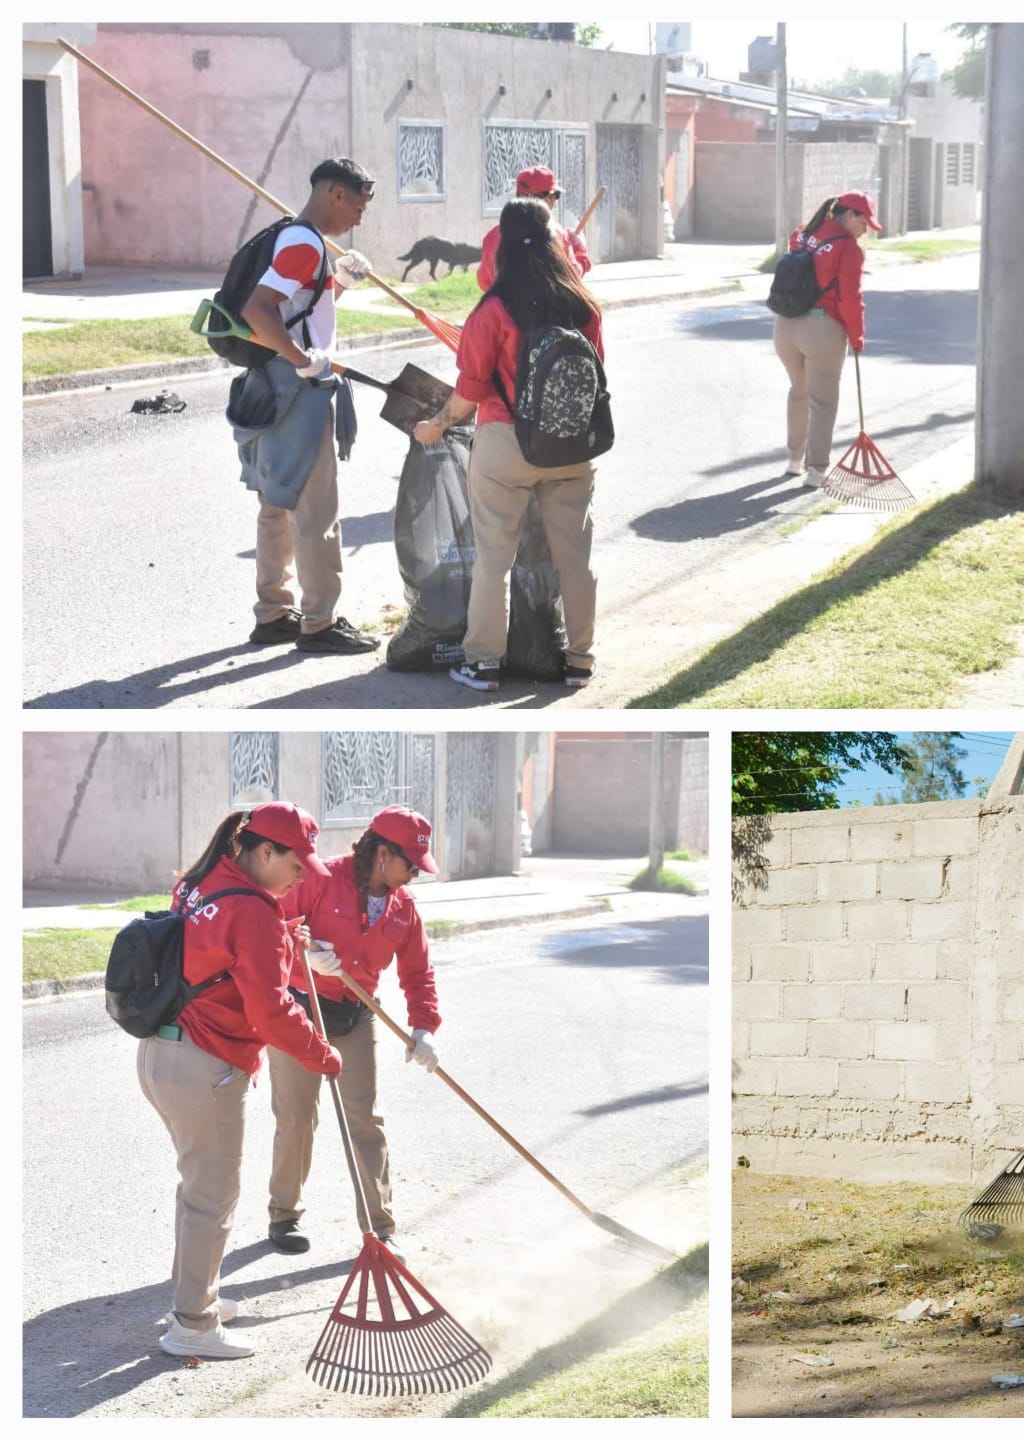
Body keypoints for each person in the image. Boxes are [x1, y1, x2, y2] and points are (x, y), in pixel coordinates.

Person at [143, 803, 340, 1360]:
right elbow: (271, 1013)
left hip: (162, 1054)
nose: (302, 877)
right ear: (264, 852)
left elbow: (221, 943)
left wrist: (281, 934)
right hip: (206, 1065)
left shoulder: (201, 880)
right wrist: (320, 1053)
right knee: (213, 1195)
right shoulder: (253, 911)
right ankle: (192, 1326)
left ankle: (196, 1295)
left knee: (197, 1188)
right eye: (296, 865)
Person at [412, 198, 604, 693]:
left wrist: (435, 425)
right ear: (553, 242)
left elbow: (470, 392)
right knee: (575, 560)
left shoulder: (492, 310)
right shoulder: (582, 305)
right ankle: (580, 661)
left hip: (504, 444)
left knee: (494, 560)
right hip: (571, 447)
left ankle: (483, 664)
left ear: (500, 245)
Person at [267, 806, 443, 1262]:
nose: (414, 877)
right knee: (298, 1119)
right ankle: (284, 1214)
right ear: (383, 853)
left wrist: (424, 1028)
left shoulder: (404, 910)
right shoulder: (322, 878)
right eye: (411, 866)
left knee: (365, 1122)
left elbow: (419, 973)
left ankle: (381, 1230)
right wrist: (303, 948)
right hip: (300, 1010)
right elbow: (273, 926)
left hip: (355, 1013)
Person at [238, 157, 381, 655]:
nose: (360, 218)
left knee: (276, 499)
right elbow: (257, 311)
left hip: (275, 382)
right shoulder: (302, 242)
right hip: (295, 388)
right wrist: (303, 362)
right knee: (315, 508)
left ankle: (273, 613)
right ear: (336, 194)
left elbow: (298, 308)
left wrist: (337, 281)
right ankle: (319, 622)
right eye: (359, 207)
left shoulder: (300, 239)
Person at [772, 191, 880, 487]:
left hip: (784, 327)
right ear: (848, 216)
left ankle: (794, 461)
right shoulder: (848, 250)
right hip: (821, 330)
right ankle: (816, 472)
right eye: (864, 221)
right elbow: (849, 300)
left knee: (799, 390)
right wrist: (857, 337)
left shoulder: (802, 234)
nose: (865, 229)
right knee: (823, 402)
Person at [476, 165, 592, 292]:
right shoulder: (556, 235)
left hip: (505, 308)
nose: (555, 200)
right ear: (545, 198)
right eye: (554, 194)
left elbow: (484, 281)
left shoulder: (494, 235)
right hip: (544, 310)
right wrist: (580, 251)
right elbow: (571, 277)